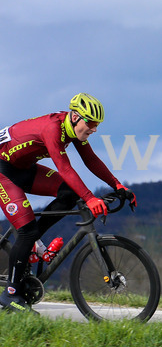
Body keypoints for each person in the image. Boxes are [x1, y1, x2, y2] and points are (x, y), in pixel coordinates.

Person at [0, 93, 136, 313]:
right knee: (26, 231)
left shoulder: (72, 130)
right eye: (91, 123)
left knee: (68, 193)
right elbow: (65, 168)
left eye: (97, 125)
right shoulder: (53, 129)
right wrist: (90, 198)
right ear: (75, 116)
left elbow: (91, 160)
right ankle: (11, 295)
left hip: (24, 168)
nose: (94, 129)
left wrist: (118, 185)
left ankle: (33, 241)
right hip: (2, 171)